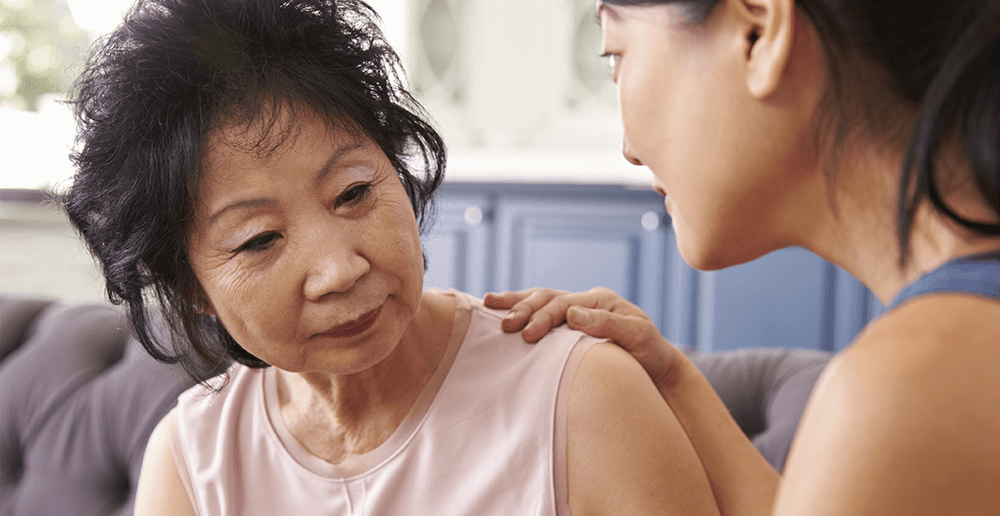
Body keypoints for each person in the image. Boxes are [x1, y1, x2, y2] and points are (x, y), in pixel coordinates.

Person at [61, 0, 722, 514]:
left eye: (352, 193)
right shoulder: (194, 459)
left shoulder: (580, 394)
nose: (340, 270)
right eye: (259, 238)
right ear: (191, 284)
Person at [486, 0, 1000, 515]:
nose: (629, 149)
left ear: (758, 33)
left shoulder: (910, 393)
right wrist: (672, 378)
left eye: (616, 55)